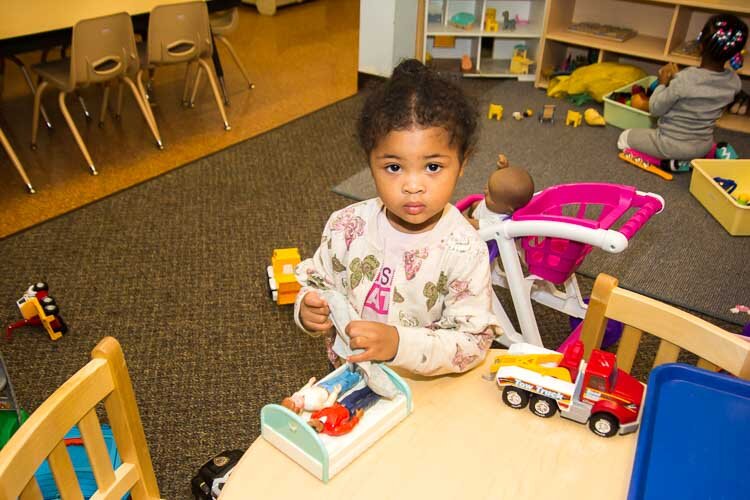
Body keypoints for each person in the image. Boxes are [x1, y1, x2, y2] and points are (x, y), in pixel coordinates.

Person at [294, 59, 500, 376]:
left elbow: (471, 342)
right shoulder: (346, 226)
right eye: (393, 167)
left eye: (433, 167)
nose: (413, 186)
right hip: (350, 372)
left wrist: (399, 343)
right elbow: (316, 281)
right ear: (370, 162)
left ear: (462, 163)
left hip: (423, 386)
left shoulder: (464, 250)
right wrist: (306, 308)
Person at [616, 14, 747, 171]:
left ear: (700, 45)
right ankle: (704, 155)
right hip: (702, 145)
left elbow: (656, 108)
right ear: (736, 53)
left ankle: (671, 163)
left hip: (669, 145)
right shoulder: (734, 82)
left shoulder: (685, 79)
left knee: (624, 138)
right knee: (701, 143)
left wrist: (663, 83)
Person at [466, 154, 535, 230]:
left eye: (491, 197)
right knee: (475, 204)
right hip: (480, 212)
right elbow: (498, 182)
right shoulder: (501, 201)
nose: (485, 192)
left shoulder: (497, 222)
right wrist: (502, 169)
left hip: (478, 232)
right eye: (488, 187)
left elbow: (473, 225)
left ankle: (469, 217)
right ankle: (470, 215)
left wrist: (462, 219)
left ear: (508, 210)